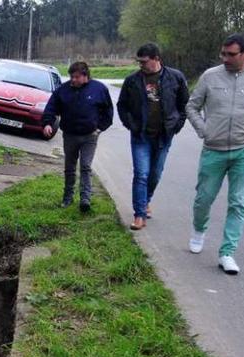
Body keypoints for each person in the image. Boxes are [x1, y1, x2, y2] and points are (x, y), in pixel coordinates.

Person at [186, 33, 244, 275]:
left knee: (238, 202)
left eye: (231, 54)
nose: (225, 58)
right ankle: (199, 230)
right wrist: (203, 130)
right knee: (203, 198)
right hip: (214, 149)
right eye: (223, 54)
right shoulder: (210, 76)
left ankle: (227, 252)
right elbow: (192, 106)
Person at [117, 43, 189, 230]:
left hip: (164, 136)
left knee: (155, 174)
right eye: (139, 61)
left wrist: (176, 126)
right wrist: (130, 124)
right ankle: (139, 215)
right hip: (140, 136)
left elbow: (184, 105)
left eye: (144, 61)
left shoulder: (176, 78)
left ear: (157, 59)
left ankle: (146, 200)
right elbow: (122, 105)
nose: (141, 65)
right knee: (141, 174)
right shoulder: (132, 81)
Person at [42, 61, 114, 212]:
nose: (73, 80)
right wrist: (47, 123)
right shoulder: (63, 90)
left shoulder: (99, 89)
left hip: (90, 136)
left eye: (76, 77)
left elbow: (108, 112)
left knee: (86, 166)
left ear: (85, 76)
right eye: (71, 77)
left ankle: (85, 199)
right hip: (70, 135)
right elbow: (51, 107)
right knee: (69, 167)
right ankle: (67, 197)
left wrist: (100, 128)